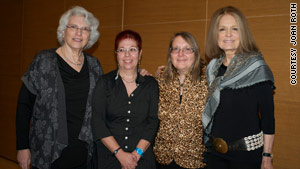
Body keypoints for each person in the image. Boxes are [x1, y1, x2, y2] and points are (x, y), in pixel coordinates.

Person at [16, 6, 102, 169]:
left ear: (90, 36)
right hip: (48, 153)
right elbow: (23, 106)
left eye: (85, 29)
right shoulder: (43, 61)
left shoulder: (94, 66)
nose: (79, 33)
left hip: (83, 155)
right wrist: (22, 147)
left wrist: (135, 75)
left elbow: (107, 95)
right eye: (74, 27)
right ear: (63, 31)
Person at [202, 6, 275, 169]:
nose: (228, 34)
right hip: (214, 155)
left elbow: (268, 119)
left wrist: (267, 157)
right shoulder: (212, 69)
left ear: (243, 33)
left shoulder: (257, 68)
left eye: (234, 29)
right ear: (216, 35)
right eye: (222, 29)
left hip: (246, 158)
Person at [92, 30, 159, 169]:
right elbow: (97, 122)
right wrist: (120, 154)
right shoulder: (104, 83)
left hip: (142, 159)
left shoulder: (151, 84)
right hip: (110, 158)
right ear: (116, 54)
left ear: (140, 53)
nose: (127, 54)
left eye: (132, 49)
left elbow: (153, 122)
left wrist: (136, 154)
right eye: (122, 50)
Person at [154, 32, 207, 169]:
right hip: (162, 159)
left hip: (196, 161)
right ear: (170, 54)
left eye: (187, 49)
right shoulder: (159, 82)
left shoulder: (208, 81)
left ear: (195, 53)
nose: (180, 54)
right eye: (176, 49)